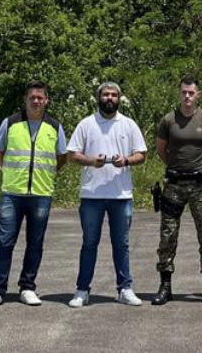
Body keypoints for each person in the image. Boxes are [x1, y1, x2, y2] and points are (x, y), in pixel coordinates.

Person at [0, 80, 68, 308]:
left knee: (35, 243)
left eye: (40, 97)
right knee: (5, 242)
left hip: (41, 193)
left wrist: (48, 176)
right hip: (13, 193)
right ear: (25, 100)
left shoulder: (54, 126)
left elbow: (61, 157)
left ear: (47, 100)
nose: (36, 101)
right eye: (32, 97)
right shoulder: (10, 123)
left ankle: (27, 287)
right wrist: (9, 172)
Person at [66, 81, 148, 307]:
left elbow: (141, 154)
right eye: (106, 95)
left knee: (121, 244)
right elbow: (72, 154)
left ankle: (125, 289)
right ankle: (82, 290)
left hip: (121, 195)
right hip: (92, 195)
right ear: (98, 98)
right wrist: (92, 161)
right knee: (89, 243)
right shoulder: (86, 124)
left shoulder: (129, 125)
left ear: (119, 98)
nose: (110, 98)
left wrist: (126, 161)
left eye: (114, 95)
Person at [152, 74, 202, 306]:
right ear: (179, 93)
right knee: (168, 235)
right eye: (184, 92)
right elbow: (161, 151)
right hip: (174, 185)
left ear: (198, 95)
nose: (187, 97)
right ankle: (165, 286)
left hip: (200, 186)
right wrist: (177, 167)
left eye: (191, 93)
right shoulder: (168, 121)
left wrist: (201, 167)